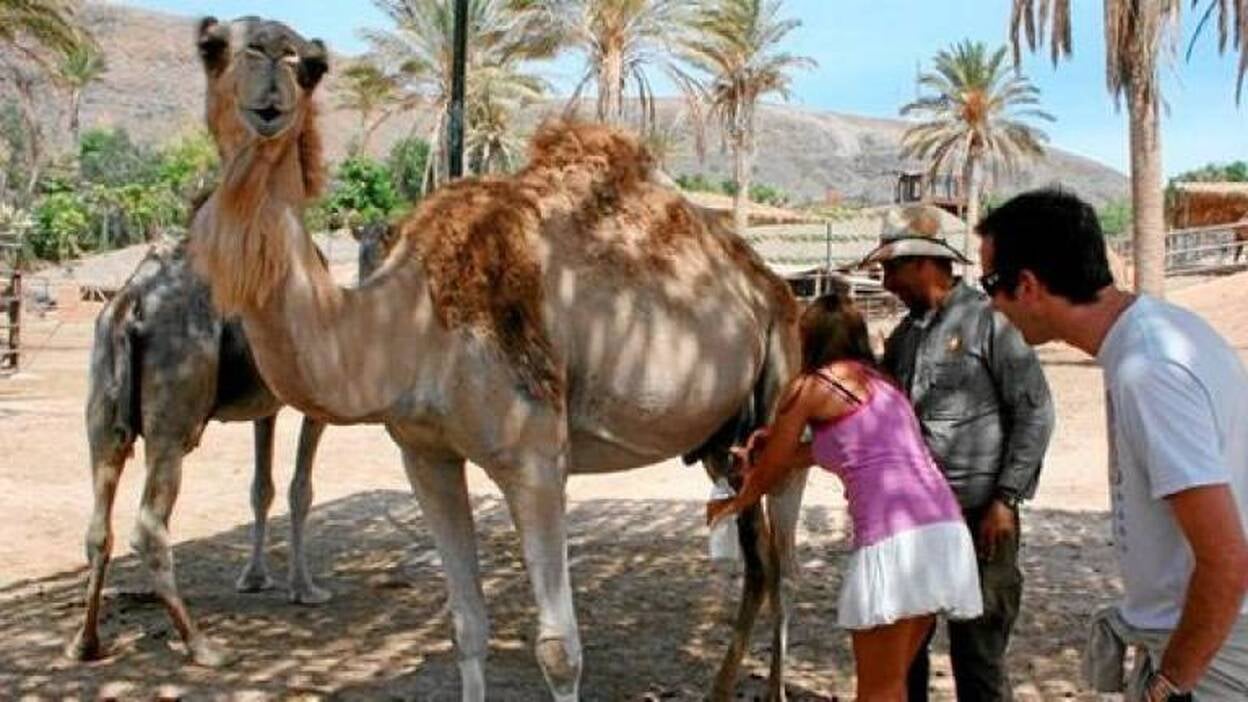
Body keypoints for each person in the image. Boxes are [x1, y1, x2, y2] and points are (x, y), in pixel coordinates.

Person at [977, 188, 1248, 701]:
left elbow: (1228, 558)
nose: (991, 304)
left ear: (1028, 284)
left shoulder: (1148, 368)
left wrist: (1170, 685)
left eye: (991, 283)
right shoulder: (1155, 336)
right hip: (1201, 639)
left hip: (1213, 652)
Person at [708, 289, 983, 701]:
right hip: (943, 532)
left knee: (877, 691)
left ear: (808, 339)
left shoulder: (811, 387)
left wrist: (734, 503)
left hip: (896, 542)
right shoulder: (883, 386)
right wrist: (773, 445)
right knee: (893, 683)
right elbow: (830, 451)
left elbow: (772, 469)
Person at [859, 205, 1055, 701]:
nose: (886, 282)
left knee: (979, 655)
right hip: (915, 523)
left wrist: (1005, 501)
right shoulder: (905, 336)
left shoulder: (991, 321)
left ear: (926, 262)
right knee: (906, 655)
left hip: (981, 519)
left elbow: (1035, 413)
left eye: (892, 268)